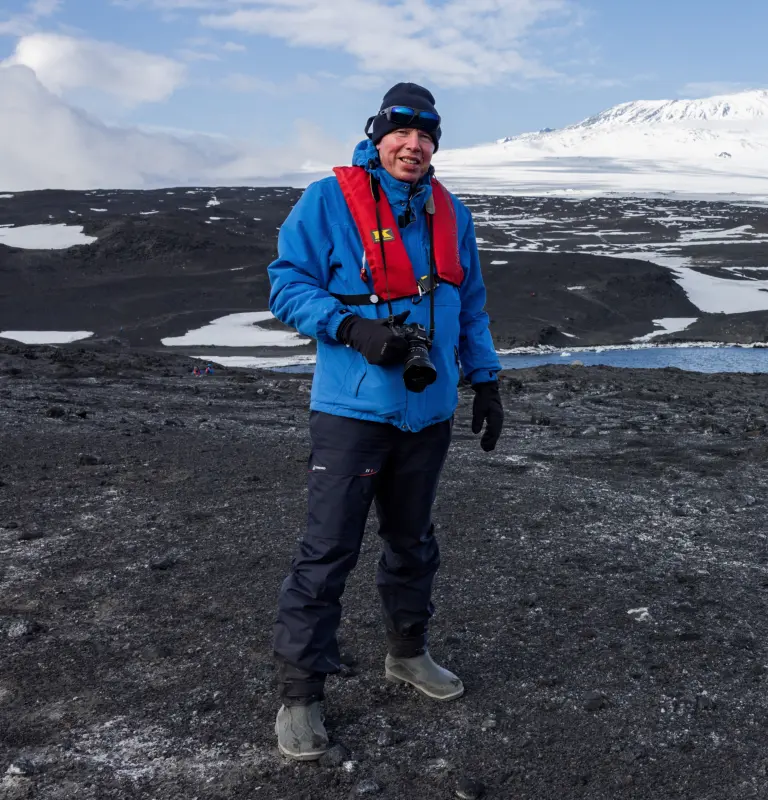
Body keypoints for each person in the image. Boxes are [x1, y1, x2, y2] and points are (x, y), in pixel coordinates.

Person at [265, 82, 504, 761]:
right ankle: (301, 695)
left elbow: (472, 308)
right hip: (353, 409)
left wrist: (485, 382)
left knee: (413, 542)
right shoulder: (326, 200)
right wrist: (349, 326)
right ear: (377, 135)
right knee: (327, 551)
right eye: (402, 132)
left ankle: (407, 652)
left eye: (428, 136)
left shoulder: (451, 215)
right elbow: (286, 283)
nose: (415, 146)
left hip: (429, 413)